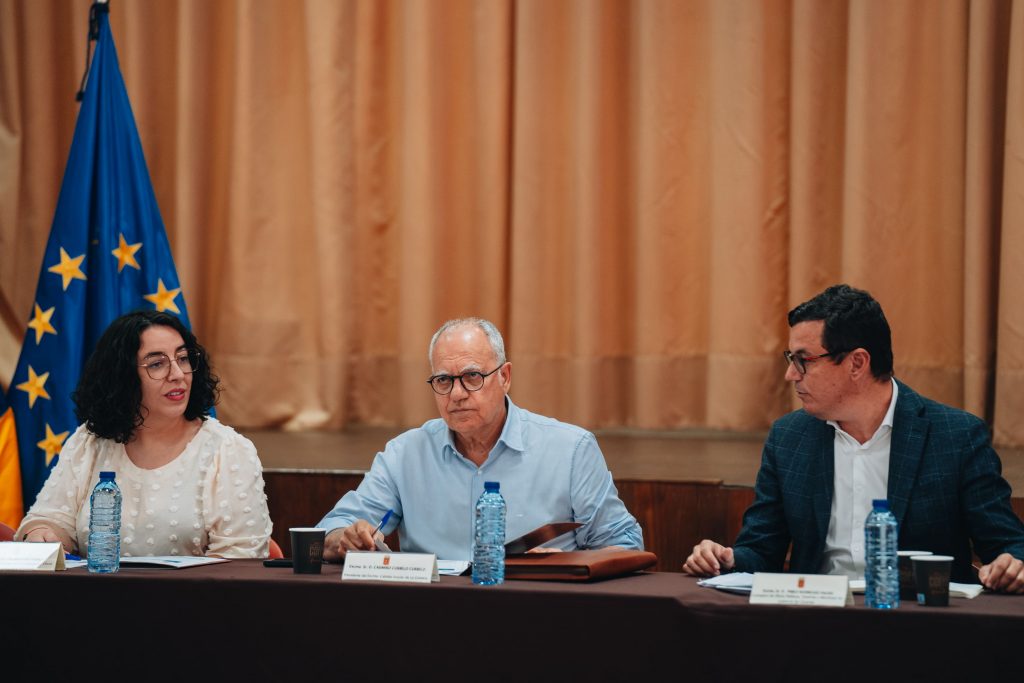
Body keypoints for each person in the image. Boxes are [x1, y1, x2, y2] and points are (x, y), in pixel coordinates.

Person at [683, 284, 1024, 593]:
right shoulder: (789, 438)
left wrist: (1013, 563)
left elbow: (1008, 544)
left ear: (857, 363)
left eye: (803, 361)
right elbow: (761, 550)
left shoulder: (955, 436)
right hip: (816, 623)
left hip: (922, 625)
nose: (790, 375)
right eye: (791, 360)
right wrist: (726, 559)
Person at [319, 317, 643, 561]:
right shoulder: (406, 454)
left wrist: (565, 564)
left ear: (505, 377)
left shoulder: (571, 450)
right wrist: (345, 538)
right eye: (444, 380)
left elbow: (626, 546)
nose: (457, 394)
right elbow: (331, 529)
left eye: (472, 377)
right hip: (431, 621)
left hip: (540, 615)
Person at [16, 310, 272, 558]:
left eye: (183, 358)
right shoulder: (90, 441)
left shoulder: (228, 449)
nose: (178, 374)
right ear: (123, 376)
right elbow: (47, 520)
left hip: (194, 600)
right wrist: (43, 534)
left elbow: (240, 560)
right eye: (157, 364)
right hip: (94, 598)